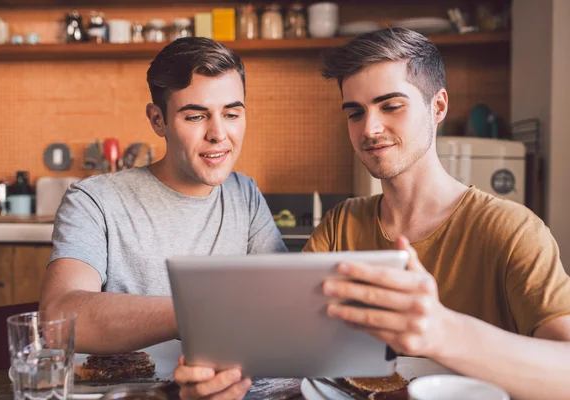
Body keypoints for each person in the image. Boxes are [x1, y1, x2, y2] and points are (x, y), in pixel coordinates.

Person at [174, 28, 570, 400]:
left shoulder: (511, 229)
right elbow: (287, 346)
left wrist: (444, 332)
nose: (370, 128)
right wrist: (220, 379)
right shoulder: (340, 225)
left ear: (438, 106)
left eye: (391, 106)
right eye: (355, 113)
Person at [40, 37, 286, 398]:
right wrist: (194, 312)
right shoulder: (95, 199)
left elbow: (279, 305)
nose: (219, 134)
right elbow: (58, 319)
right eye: (196, 116)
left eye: (232, 114)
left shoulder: (244, 194)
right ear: (158, 120)